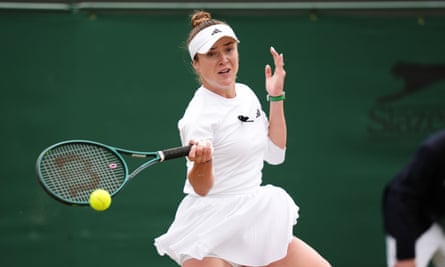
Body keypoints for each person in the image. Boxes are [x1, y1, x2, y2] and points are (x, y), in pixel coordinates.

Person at [154, 10, 331, 267]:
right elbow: (201, 188)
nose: (223, 59)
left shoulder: (247, 94)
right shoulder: (198, 116)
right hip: (209, 227)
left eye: (228, 49)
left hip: (254, 218)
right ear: (196, 62)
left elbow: (275, 154)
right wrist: (203, 162)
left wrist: (276, 97)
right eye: (212, 54)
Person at [383, 129, 445, 267]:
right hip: (408, 227)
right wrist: (405, 254)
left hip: (432, 221)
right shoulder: (434, 150)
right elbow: (400, 197)